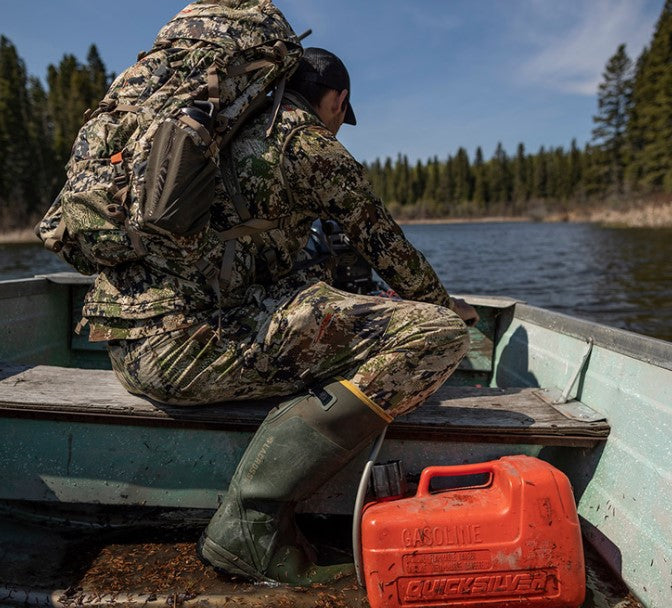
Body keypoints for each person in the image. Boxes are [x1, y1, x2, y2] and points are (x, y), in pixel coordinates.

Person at [88, 47, 478, 585]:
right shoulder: (307, 141)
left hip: (129, 342)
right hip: (185, 349)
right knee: (437, 335)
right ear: (336, 100)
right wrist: (443, 304)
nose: (340, 125)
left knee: (312, 293)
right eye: (343, 113)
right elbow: (388, 248)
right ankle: (251, 520)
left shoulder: (222, 129)